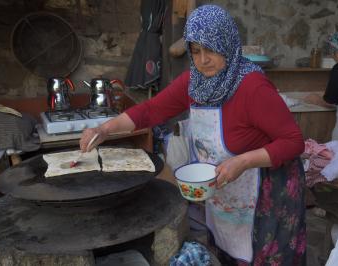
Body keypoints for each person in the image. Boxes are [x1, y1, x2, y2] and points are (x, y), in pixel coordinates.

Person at [80, 5, 306, 265]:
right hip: (226, 189)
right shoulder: (194, 82)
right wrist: (104, 129)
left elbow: (294, 142)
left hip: (266, 189)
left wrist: (244, 161)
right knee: (227, 252)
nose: (203, 60)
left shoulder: (252, 87)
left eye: (211, 49)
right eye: (196, 51)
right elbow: (151, 111)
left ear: (227, 44)